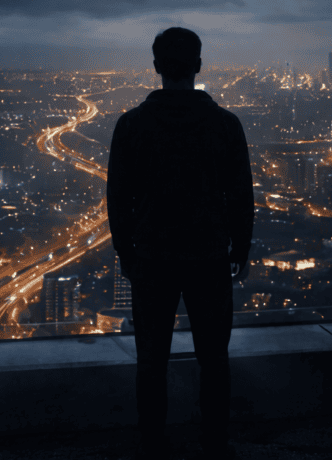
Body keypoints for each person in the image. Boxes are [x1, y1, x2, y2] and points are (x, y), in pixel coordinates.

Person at [106, 27, 254, 460]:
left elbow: (118, 198)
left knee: (151, 359)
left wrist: (126, 253)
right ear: (199, 66)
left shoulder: (131, 125)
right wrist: (240, 250)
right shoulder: (225, 124)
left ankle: (152, 445)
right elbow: (240, 195)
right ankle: (214, 445)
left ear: (156, 66)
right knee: (214, 358)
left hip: (152, 257)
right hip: (209, 256)